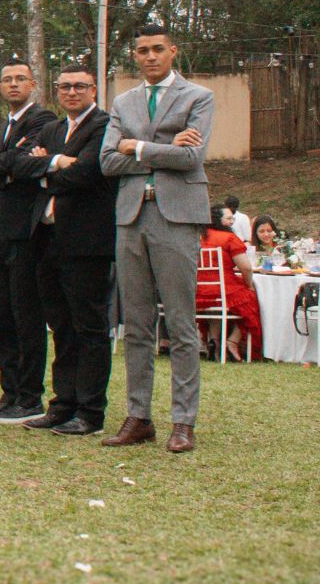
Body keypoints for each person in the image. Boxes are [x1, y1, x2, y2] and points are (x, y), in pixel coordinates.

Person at [100, 23, 215, 454]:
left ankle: (183, 421)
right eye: (142, 51)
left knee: (182, 324)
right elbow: (108, 162)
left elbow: (192, 158)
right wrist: (152, 148)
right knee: (137, 325)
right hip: (131, 216)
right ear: (135, 55)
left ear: (173, 52)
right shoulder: (123, 101)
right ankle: (138, 416)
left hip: (178, 216)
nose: (149, 57)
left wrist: (138, 147)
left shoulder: (198, 97)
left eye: (157, 49)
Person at [19, 66, 116, 436]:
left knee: (88, 326)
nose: (72, 92)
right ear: (56, 91)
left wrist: (44, 167)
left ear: (93, 89)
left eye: (80, 86)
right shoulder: (53, 129)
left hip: (86, 242)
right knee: (60, 325)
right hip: (46, 239)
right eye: (65, 86)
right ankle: (63, 405)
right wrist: (56, 161)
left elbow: (90, 171)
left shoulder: (103, 126)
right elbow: (20, 162)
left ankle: (90, 412)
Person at [0, 61, 59, 424]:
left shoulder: (42, 120)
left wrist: (2, 165)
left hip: (25, 232)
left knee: (27, 315)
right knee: (0, 315)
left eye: (20, 78)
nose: (13, 84)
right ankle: (8, 393)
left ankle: (30, 396)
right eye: (6, 79)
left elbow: (26, 166)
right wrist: (5, 165)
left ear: (33, 84)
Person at [197, 205, 262, 362]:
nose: (232, 222)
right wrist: (249, 285)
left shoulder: (198, 237)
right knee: (250, 299)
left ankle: (214, 341)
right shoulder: (228, 238)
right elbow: (246, 267)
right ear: (218, 220)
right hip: (223, 287)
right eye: (229, 219)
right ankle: (232, 341)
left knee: (216, 307)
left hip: (198, 290)